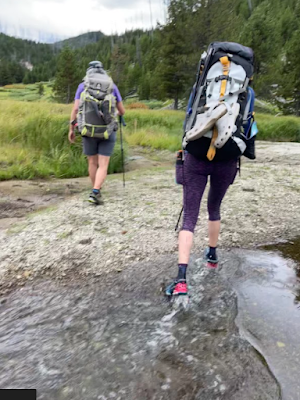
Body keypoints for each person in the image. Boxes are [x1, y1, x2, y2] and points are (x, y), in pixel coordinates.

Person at [68, 61, 125, 205]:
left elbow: (75, 109)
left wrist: (71, 129)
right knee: (103, 164)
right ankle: (95, 191)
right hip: (108, 130)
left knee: (92, 162)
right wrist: (114, 113)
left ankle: (95, 190)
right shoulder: (112, 86)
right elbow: (122, 111)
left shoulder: (83, 86)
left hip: (88, 129)